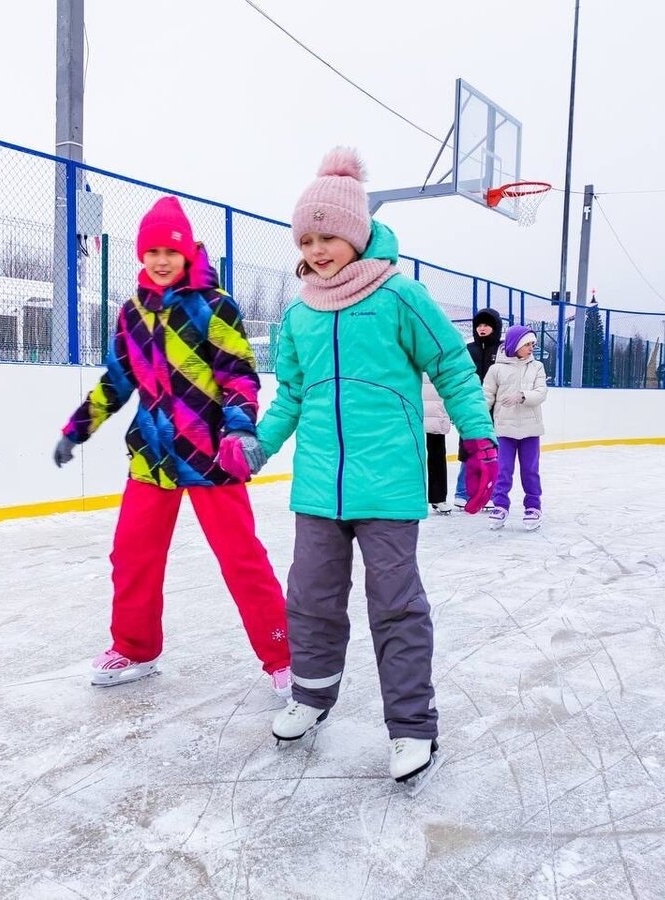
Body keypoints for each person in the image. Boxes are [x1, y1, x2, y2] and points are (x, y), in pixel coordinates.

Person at [222, 148, 498, 783]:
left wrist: (477, 439)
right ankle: (312, 696)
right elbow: (290, 395)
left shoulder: (401, 296)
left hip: (390, 485)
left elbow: (453, 367)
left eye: (330, 237)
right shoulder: (298, 314)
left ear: (356, 233)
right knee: (312, 598)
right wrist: (260, 446)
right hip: (318, 485)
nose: (318, 251)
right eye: (308, 239)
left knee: (395, 604)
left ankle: (410, 726)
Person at [54, 195, 292, 696]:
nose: (161, 260)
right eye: (152, 251)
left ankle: (282, 656)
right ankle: (136, 649)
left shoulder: (214, 306)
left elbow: (239, 377)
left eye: (171, 250)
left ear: (188, 253)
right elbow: (117, 380)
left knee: (240, 558)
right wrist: (78, 428)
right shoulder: (132, 313)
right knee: (132, 555)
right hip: (152, 458)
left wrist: (240, 429)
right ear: (141, 255)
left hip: (210, 456)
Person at [483, 324, 548, 531]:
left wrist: (522, 396)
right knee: (502, 470)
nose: (531, 348)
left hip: (530, 429)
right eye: (527, 344)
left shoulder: (536, 367)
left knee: (530, 470)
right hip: (504, 430)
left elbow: (541, 393)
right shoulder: (496, 369)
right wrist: (477, 417)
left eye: (532, 344)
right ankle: (500, 505)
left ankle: (533, 507)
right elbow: (486, 397)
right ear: (515, 344)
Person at [454, 307, 503, 509]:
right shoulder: (469, 349)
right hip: (472, 408)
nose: (482, 329)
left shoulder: (502, 350)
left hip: (497, 410)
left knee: (492, 452)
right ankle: (462, 492)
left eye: (487, 325)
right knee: (470, 449)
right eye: (479, 325)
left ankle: (489, 493)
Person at [422, 374, 453, 514]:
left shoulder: (442, 358)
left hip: (437, 411)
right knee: (409, 457)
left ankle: (438, 497)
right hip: (413, 410)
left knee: (437, 455)